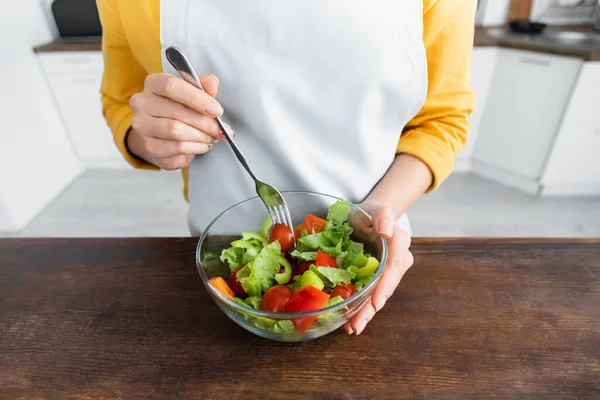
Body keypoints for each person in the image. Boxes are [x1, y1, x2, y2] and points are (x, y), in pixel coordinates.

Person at [97, 0, 477, 335]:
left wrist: (384, 211)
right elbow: (121, 103)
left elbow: (442, 119)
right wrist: (155, 138)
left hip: (374, 258)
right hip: (217, 266)